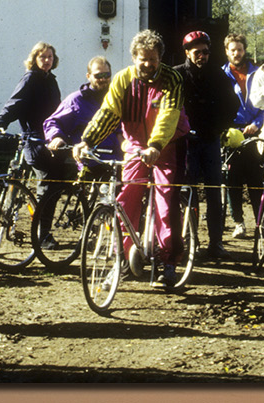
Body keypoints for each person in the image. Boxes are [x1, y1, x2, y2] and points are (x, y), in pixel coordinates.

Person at [73, 29, 189, 291]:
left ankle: (167, 262)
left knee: (164, 201)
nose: (147, 64)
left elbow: (169, 115)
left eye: (153, 58)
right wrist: (87, 141)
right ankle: (122, 257)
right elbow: (109, 112)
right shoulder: (123, 80)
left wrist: (157, 145)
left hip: (168, 144)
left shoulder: (172, 79)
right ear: (134, 57)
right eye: (142, 58)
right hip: (136, 145)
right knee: (126, 200)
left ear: (160, 58)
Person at [39, 56, 121, 245]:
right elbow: (53, 121)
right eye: (98, 75)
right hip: (89, 160)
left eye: (106, 74)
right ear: (88, 76)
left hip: (116, 159)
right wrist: (56, 137)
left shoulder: (116, 98)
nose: (103, 78)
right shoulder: (77, 100)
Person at [174, 31, 239, 259]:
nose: (202, 56)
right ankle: (190, 240)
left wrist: (219, 127)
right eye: (197, 52)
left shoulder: (218, 76)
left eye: (206, 52)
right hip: (185, 143)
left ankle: (216, 242)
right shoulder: (177, 75)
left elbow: (233, 104)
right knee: (187, 193)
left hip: (210, 141)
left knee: (214, 193)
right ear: (187, 53)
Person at [0, 41, 62, 212]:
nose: (46, 60)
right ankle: (41, 230)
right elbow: (15, 103)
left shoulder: (51, 80)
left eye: (50, 57)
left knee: (57, 181)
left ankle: (38, 220)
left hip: (50, 138)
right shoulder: (30, 78)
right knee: (46, 182)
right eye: (42, 57)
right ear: (35, 58)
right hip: (34, 139)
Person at [222, 33, 264, 239]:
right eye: (232, 50)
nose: (236, 53)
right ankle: (238, 222)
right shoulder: (221, 74)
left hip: (256, 134)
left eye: (239, 49)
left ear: (244, 50)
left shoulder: (259, 73)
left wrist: (257, 124)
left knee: (256, 181)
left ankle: (260, 223)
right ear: (226, 52)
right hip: (232, 134)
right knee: (233, 182)